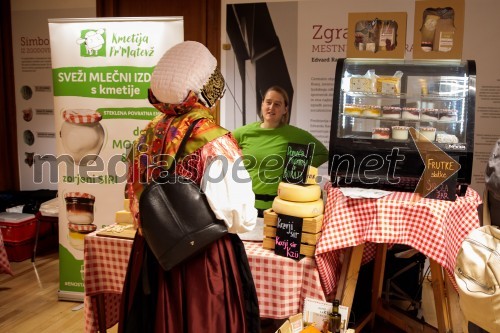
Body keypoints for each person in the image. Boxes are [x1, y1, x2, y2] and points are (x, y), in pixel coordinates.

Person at [118, 41, 260, 333]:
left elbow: (133, 196)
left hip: (151, 254)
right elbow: (238, 214)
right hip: (201, 260)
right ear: (205, 90)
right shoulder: (212, 139)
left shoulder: (146, 134)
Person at [232, 86, 329, 216]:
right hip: (245, 205)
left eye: (277, 104)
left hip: (279, 207)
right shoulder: (244, 132)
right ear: (262, 104)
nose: (271, 107)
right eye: (268, 102)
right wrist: (235, 156)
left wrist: (298, 167)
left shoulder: (295, 134)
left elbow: (323, 154)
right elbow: (220, 148)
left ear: (285, 110)